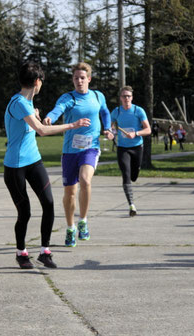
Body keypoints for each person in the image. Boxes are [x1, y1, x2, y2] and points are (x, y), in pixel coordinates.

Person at [4, 61, 90, 269]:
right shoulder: (18, 103)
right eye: (41, 81)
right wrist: (72, 125)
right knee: (24, 212)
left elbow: (33, 128)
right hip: (15, 166)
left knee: (49, 203)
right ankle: (21, 253)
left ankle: (44, 251)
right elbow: (42, 131)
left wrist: (35, 116)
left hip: (33, 161)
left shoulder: (26, 105)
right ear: (36, 82)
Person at [43, 62, 113, 248]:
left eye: (82, 78)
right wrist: (50, 117)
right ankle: (70, 227)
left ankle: (83, 220)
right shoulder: (68, 98)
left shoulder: (98, 96)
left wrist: (107, 128)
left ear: (89, 79)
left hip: (91, 148)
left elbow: (105, 112)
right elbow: (57, 110)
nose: (79, 81)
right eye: (76, 78)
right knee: (70, 192)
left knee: (85, 180)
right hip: (70, 151)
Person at [111, 86, 151, 216]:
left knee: (134, 176)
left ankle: (137, 170)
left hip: (137, 147)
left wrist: (136, 133)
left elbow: (148, 130)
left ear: (132, 98)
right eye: (124, 96)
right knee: (126, 174)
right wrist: (110, 133)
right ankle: (131, 205)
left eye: (128, 96)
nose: (126, 98)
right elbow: (109, 128)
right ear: (120, 98)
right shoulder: (116, 112)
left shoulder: (138, 111)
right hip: (123, 148)